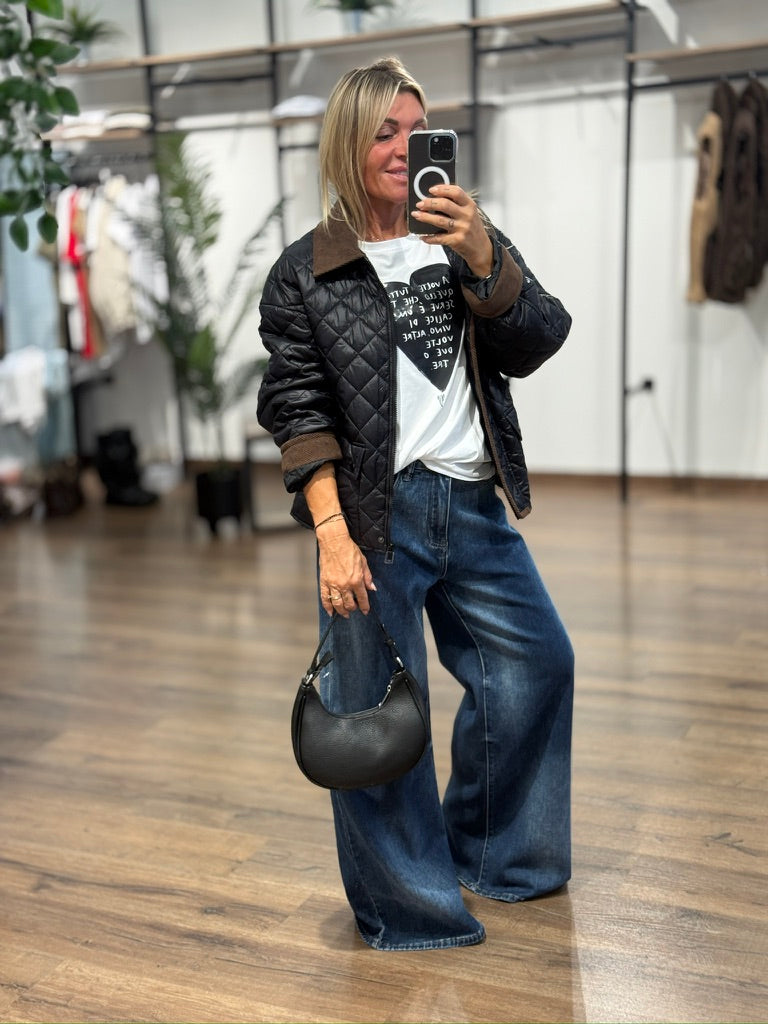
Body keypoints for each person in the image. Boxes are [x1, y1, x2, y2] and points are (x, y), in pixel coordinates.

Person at [257, 56, 574, 952]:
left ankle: (500, 855)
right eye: (385, 133)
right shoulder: (304, 272)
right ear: (349, 144)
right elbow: (297, 410)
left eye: (417, 130)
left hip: (471, 504)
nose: (405, 148)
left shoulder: (463, 233)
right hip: (373, 517)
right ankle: (412, 910)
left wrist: (484, 257)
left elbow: (539, 337)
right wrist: (331, 534)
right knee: (377, 715)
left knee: (538, 664)